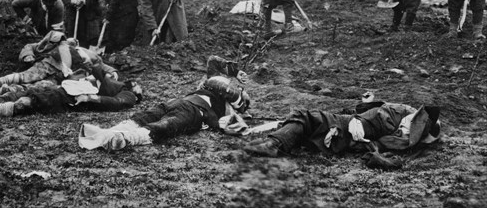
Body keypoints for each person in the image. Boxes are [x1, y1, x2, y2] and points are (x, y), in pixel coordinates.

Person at [78, 55, 250, 151]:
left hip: (195, 111)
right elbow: (213, 61)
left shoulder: (229, 109)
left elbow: (225, 95)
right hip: (182, 102)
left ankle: (123, 138)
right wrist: (236, 71)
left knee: (163, 126)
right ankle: (106, 133)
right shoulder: (216, 85)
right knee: (144, 117)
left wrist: (237, 99)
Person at [243, 100, 441, 169]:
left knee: (304, 116)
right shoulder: (405, 134)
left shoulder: (398, 117)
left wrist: (361, 122)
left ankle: (273, 144)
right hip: (345, 139)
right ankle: (278, 141)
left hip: (344, 127)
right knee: (304, 127)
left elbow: (379, 117)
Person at [0, 63, 142, 118]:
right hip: (66, 88)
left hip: (72, 98)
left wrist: (91, 97)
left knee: (28, 102)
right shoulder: (116, 82)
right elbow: (99, 70)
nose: (139, 85)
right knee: (19, 94)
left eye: (141, 87)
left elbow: (116, 103)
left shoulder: (128, 94)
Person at [0, 30, 104, 93]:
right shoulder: (49, 45)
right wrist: (27, 56)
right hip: (47, 64)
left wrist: (110, 70)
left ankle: (12, 90)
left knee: (43, 86)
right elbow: (30, 47)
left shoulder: (81, 51)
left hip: (65, 77)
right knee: (25, 76)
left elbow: (98, 61)